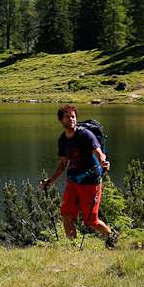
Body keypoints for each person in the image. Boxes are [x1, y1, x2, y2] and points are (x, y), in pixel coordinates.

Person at [41, 104, 119, 248]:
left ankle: (112, 238)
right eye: (67, 117)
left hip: (90, 182)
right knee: (66, 215)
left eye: (73, 116)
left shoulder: (85, 135)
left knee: (91, 221)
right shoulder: (62, 140)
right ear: (61, 120)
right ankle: (73, 247)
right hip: (72, 182)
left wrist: (103, 161)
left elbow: (98, 151)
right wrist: (51, 181)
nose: (71, 119)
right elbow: (64, 163)